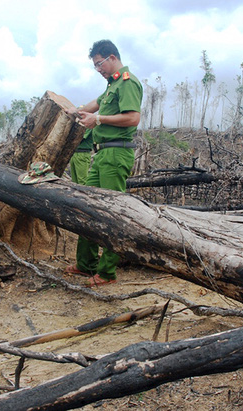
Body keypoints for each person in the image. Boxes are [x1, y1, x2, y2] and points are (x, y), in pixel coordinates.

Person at [64, 39, 143, 287]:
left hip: (116, 154)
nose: (99, 70)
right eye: (95, 66)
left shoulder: (128, 82)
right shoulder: (112, 85)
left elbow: (133, 118)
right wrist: (74, 111)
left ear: (112, 57)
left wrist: (97, 120)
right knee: (86, 207)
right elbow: (94, 105)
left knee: (111, 213)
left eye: (100, 64)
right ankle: (85, 264)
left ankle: (107, 271)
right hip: (101, 156)